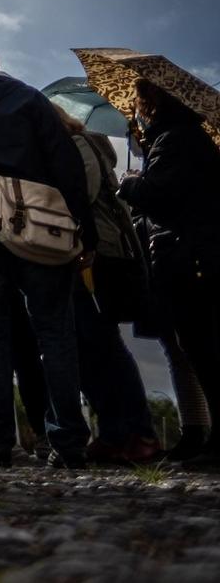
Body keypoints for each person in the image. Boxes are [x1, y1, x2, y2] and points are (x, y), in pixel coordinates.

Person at [0, 35, 95, 469]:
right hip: (40, 233)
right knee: (55, 335)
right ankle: (68, 441)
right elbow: (66, 166)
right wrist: (83, 234)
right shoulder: (29, 98)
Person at [119, 77, 220, 468]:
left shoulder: (175, 139)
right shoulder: (182, 138)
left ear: (155, 100)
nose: (139, 107)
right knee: (198, 348)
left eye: (141, 98)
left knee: (203, 350)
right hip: (194, 256)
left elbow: (159, 197)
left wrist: (130, 184)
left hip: (189, 258)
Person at [62, 112, 161, 463]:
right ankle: (115, 431)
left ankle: (138, 431)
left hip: (100, 253)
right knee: (89, 345)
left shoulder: (79, 144)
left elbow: (80, 194)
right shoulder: (84, 144)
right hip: (92, 252)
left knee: (103, 343)